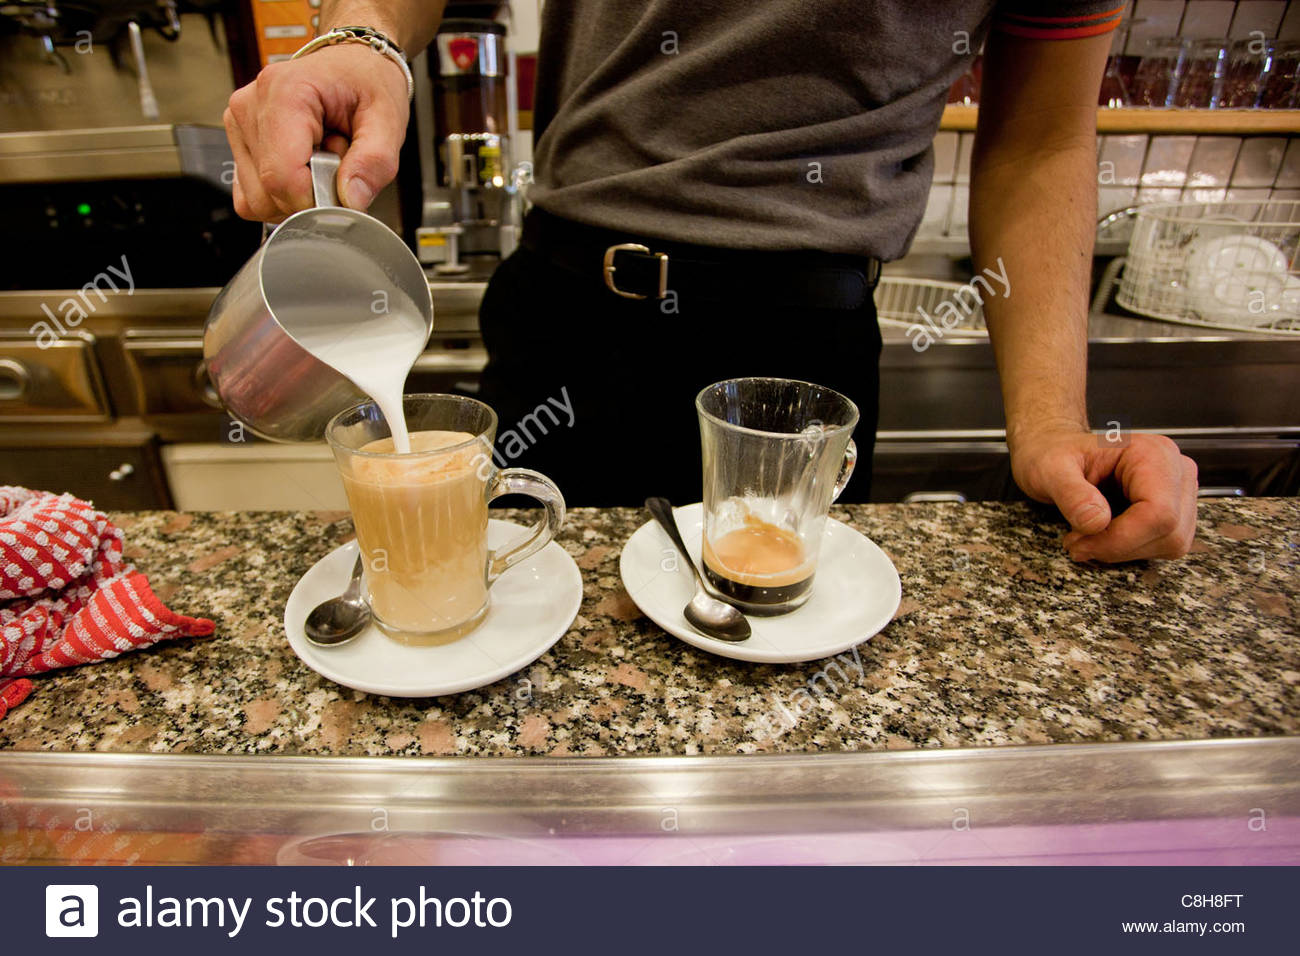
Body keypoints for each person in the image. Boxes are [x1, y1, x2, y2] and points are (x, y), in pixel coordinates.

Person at [224, 0, 1199, 563]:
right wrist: (366, 33)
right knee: (494, 658)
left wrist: (1051, 421)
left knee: (768, 684)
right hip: (565, 312)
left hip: (796, 356)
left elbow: (1041, 135)